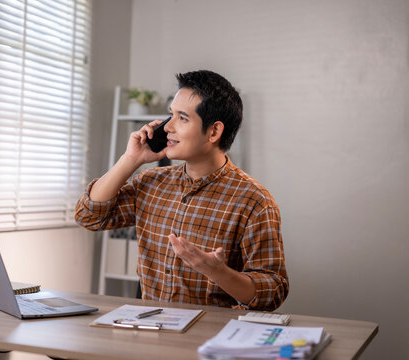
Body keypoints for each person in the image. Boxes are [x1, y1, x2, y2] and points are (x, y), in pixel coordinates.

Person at [75, 70, 288, 310]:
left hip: (211, 339)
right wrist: (130, 160)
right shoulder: (151, 183)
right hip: (150, 330)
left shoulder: (255, 201)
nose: (167, 127)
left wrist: (219, 273)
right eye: (170, 115)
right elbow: (88, 216)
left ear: (214, 132)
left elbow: (273, 291)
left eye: (182, 118)